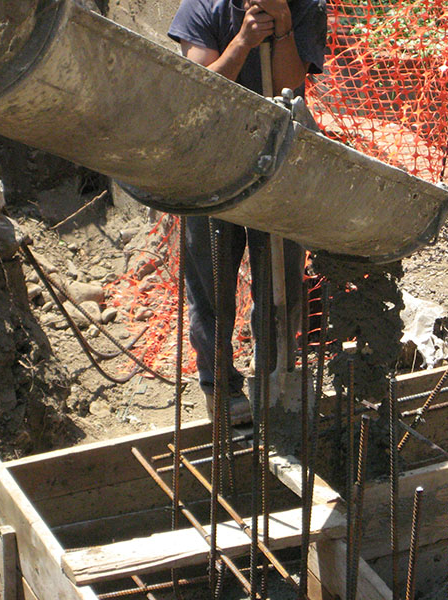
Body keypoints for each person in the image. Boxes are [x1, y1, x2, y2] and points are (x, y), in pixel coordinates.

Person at [168, 0, 327, 422]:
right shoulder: (203, 7)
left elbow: (289, 88)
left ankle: (275, 377)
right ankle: (219, 387)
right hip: (211, 163)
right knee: (211, 288)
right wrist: (243, 41)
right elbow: (202, 87)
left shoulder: (304, 7)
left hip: (277, 161)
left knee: (282, 285)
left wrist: (285, 29)